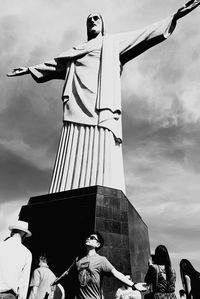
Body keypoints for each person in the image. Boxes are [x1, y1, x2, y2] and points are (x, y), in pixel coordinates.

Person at [7, 0, 200, 195]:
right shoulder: (75, 51)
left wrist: (174, 16)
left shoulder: (112, 43)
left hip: (101, 106)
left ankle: (103, 183)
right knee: (73, 142)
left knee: (102, 143)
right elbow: (55, 65)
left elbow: (144, 35)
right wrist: (29, 69)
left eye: (96, 17)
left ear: (102, 24)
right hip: (76, 104)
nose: (92, 20)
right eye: (89, 19)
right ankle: (67, 188)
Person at [51, 232, 146, 299]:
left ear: (97, 244)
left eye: (92, 238)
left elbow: (116, 273)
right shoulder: (78, 259)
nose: (88, 238)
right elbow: (67, 272)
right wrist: (56, 281)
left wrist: (133, 285)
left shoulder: (101, 260)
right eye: (88, 237)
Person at [0, 220, 32, 299]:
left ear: (12, 232)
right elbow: (24, 282)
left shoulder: (1, 245)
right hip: (8, 296)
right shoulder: (27, 253)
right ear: (24, 235)